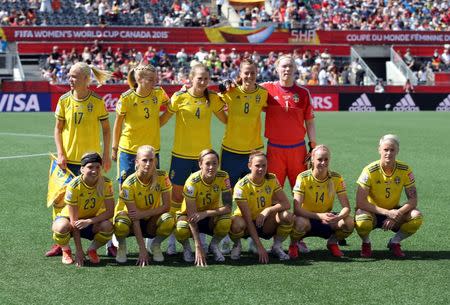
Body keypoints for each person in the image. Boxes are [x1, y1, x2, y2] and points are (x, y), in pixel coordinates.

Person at [160, 63, 227, 255]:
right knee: (176, 197)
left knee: (200, 198)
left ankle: (202, 238)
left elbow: (227, 120)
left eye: (206, 79)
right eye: (200, 78)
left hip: (203, 158)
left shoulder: (213, 98)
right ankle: (172, 239)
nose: (203, 82)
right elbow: (162, 121)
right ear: (191, 78)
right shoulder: (179, 97)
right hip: (180, 155)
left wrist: (227, 96)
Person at [46, 62, 111, 257]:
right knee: (60, 202)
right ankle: (60, 242)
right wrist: (60, 153)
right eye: (69, 75)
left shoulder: (97, 101)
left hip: (91, 163)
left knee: (97, 199)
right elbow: (57, 129)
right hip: (68, 162)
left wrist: (106, 155)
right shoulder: (64, 100)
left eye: (74, 76)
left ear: (85, 79)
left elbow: (106, 130)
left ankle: (104, 242)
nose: (69, 79)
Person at [261, 54, 317, 254]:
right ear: (277, 69)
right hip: (275, 149)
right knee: (273, 196)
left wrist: (313, 146)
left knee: (299, 195)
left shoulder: (303, 93)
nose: (287, 70)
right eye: (283, 66)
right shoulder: (266, 89)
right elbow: (246, 93)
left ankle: (298, 238)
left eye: (290, 66)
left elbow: (310, 121)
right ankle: (269, 237)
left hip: (298, 150)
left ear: (295, 70)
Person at [355, 134, 423, 258]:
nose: (389, 153)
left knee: (416, 216)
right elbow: (360, 202)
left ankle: (395, 242)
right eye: (386, 150)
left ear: (397, 151)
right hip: (373, 212)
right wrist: (387, 213)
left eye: (392, 150)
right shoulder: (369, 170)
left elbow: (413, 200)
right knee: (361, 220)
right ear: (379, 150)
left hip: (395, 212)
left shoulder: (405, 169)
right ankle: (366, 243)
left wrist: (397, 213)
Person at [289, 145, 354, 259]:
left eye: (326, 159)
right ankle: (293, 245)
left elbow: (346, 207)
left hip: (327, 220)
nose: (323, 163)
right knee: (299, 222)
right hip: (307, 219)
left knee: (349, 222)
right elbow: (297, 209)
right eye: (320, 159)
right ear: (312, 159)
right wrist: (320, 216)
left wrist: (337, 218)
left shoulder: (336, 178)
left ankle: (332, 243)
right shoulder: (303, 177)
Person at [113, 145, 174, 266]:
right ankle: (122, 245)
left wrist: (144, 214)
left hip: (150, 217)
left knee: (169, 220)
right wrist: (142, 250)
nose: (148, 163)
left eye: (151, 160)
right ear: (137, 162)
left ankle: (155, 245)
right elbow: (135, 218)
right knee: (121, 225)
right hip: (130, 219)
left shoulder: (162, 176)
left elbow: (166, 206)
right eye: (144, 160)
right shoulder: (129, 184)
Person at [229, 151, 294, 263]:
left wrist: (267, 210)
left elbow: (286, 204)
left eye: (264, 165)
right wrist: (260, 246)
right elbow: (248, 220)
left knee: (287, 216)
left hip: (264, 222)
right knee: (236, 224)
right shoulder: (241, 186)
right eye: (257, 165)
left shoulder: (271, 179)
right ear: (249, 166)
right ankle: (237, 245)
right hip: (246, 224)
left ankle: (276, 246)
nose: (261, 169)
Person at [51, 153, 115, 266]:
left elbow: (110, 212)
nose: (94, 171)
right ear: (82, 169)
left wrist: (89, 221)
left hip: (89, 221)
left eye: (97, 167)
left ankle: (92, 250)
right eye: (90, 167)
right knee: (60, 227)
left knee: (108, 226)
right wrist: (78, 251)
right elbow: (74, 222)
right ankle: (66, 250)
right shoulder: (74, 186)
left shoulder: (106, 183)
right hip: (70, 222)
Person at [112, 62, 169, 185]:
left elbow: (171, 109)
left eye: (156, 79)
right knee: (126, 186)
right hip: (129, 149)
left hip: (152, 150)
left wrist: (156, 124)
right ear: (139, 79)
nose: (155, 83)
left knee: (150, 186)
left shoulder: (159, 93)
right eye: (151, 80)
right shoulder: (126, 98)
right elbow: (117, 124)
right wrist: (114, 148)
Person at [174, 149, 232, 267]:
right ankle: (187, 248)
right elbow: (191, 216)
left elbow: (228, 208)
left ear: (218, 164)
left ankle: (214, 245)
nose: (211, 167)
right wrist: (198, 246)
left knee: (226, 221)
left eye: (214, 163)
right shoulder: (192, 182)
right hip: (189, 216)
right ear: (200, 164)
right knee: (180, 228)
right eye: (207, 163)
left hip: (209, 216)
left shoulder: (223, 176)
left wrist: (205, 213)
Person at [219, 58, 268, 187]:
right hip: (230, 151)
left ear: (257, 73)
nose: (249, 76)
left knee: (254, 191)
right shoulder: (231, 91)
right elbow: (213, 101)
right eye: (246, 73)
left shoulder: (263, 94)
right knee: (227, 193)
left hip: (254, 151)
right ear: (240, 74)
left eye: (253, 73)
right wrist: (223, 85)